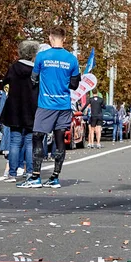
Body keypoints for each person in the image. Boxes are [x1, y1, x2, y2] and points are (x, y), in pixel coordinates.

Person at [17, 26, 80, 189]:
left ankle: (36, 177)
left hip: (46, 104)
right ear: (64, 39)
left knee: (37, 137)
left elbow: (34, 78)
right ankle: (55, 177)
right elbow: (74, 84)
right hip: (64, 105)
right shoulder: (72, 59)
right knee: (60, 140)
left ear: (50, 38)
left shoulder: (42, 56)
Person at [0, 41, 39, 183]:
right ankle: (29, 172)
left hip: (15, 108)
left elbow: (5, 84)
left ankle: (12, 173)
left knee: (15, 141)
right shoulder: (36, 70)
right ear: (33, 54)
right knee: (29, 142)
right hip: (31, 109)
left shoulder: (14, 68)